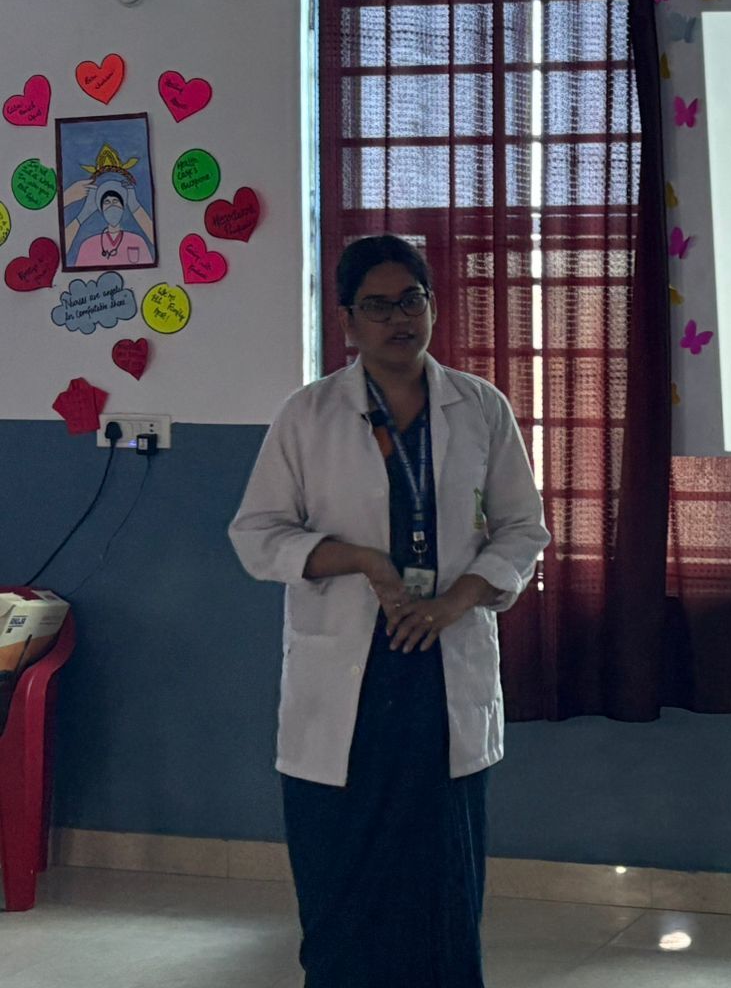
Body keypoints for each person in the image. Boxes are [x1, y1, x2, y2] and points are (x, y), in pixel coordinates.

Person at [229, 234, 549, 988]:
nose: (399, 319)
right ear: (346, 321)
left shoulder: (480, 407)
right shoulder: (308, 415)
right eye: (377, 306)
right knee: (342, 880)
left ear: (433, 306)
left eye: (412, 300)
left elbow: (522, 528)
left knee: (441, 885)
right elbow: (257, 536)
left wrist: (457, 600)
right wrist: (362, 560)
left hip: (442, 676)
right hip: (347, 677)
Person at [60, 145, 156, 268]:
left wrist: (136, 207)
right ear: (100, 209)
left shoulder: (137, 241)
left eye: (116, 201)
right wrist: (82, 215)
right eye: (106, 202)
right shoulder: (88, 245)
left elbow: (161, 246)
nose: (112, 206)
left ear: (124, 206)